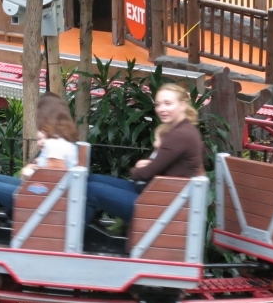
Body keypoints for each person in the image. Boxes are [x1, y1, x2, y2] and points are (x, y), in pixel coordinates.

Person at [0, 94, 78, 244]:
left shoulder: (55, 145)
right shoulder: (61, 139)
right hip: (42, 193)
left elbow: (51, 183)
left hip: (41, 198)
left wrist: (30, 173)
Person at [87, 84, 205, 224]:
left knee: (90, 189)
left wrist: (137, 169)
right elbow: (156, 167)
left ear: (182, 105)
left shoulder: (180, 135)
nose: (162, 109)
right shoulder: (181, 130)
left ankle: (74, 240)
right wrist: (146, 167)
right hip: (155, 194)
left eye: (168, 104)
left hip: (158, 206)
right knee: (89, 179)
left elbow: (146, 173)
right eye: (158, 105)